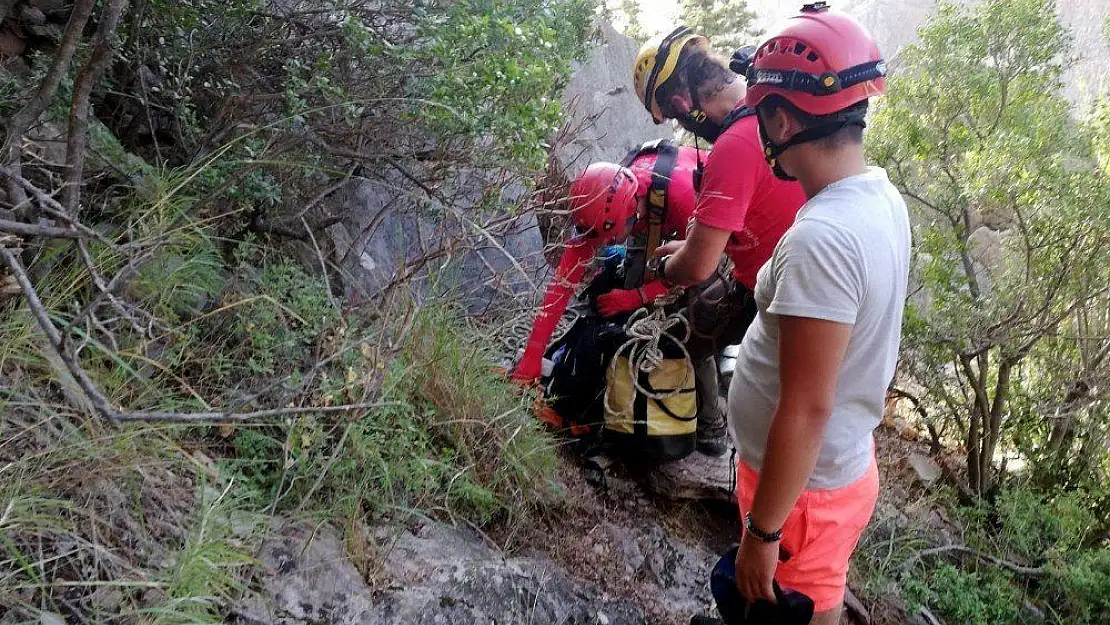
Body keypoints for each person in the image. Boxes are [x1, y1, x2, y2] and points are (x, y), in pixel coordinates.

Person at [702, 4, 907, 623]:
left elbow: (807, 404)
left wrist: (763, 536)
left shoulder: (824, 236)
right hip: (820, 480)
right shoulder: (879, 197)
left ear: (782, 118)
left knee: (792, 610)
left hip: (800, 499)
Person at [632, 27, 808, 417]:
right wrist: (699, 245)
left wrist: (663, 265)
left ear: (680, 101)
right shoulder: (765, 110)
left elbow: (696, 268)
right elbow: (760, 210)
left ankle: (700, 428)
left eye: (676, 116)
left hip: (776, 299)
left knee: (674, 339)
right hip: (793, 284)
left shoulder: (733, 145)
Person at [511, 145, 730, 455]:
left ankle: (710, 421)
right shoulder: (603, 198)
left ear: (631, 214)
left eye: (612, 238)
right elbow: (562, 285)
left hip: (711, 230)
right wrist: (531, 358)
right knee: (629, 306)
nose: (608, 244)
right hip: (654, 214)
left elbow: (704, 264)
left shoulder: (683, 199)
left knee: (692, 325)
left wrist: (634, 297)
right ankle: (620, 398)